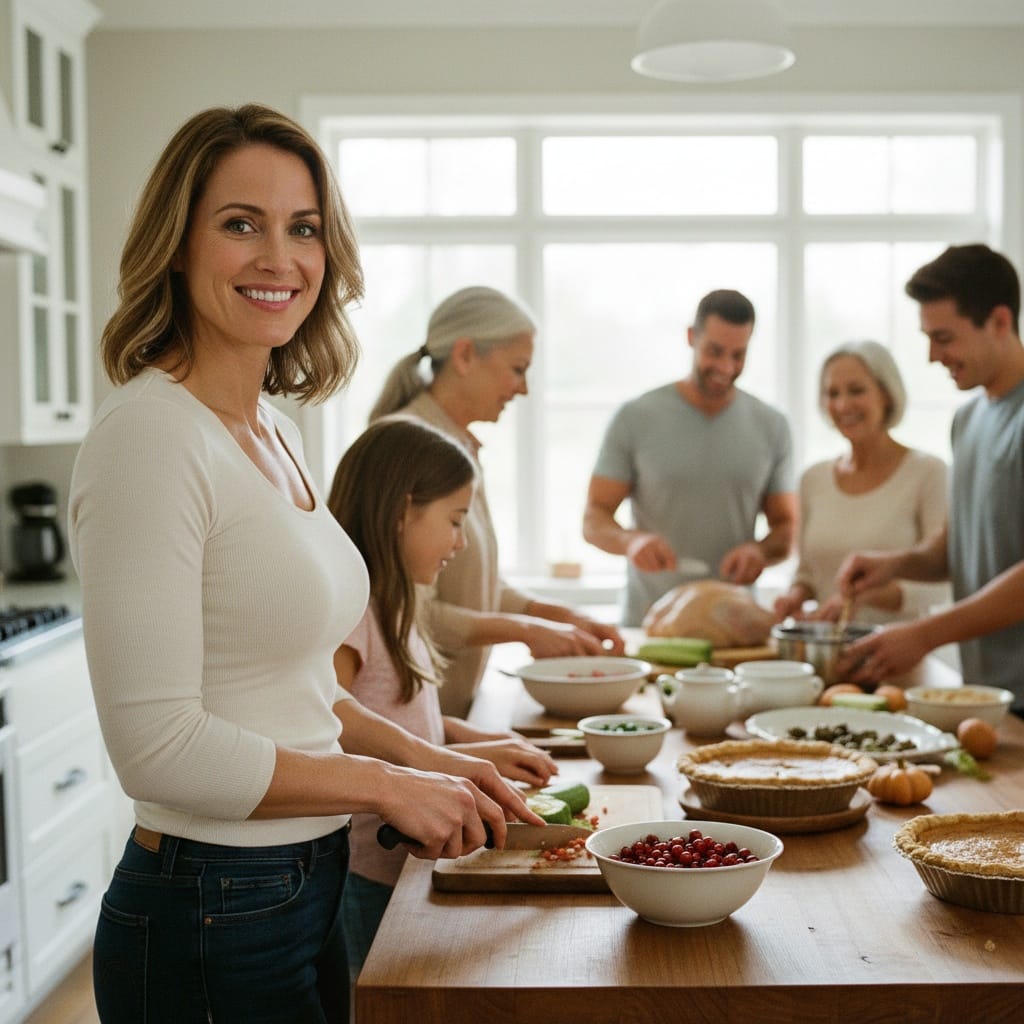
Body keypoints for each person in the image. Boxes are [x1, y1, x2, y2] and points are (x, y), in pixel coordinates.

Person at [68, 104, 541, 1024]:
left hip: (297, 881)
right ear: (176, 243)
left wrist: (429, 757)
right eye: (240, 223)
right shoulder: (150, 439)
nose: (278, 257)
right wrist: (390, 784)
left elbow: (285, 686)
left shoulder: (271, 431)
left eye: (305, 228)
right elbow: (159, 750)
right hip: (212, 902)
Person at [326, 416, 559, 980]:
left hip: (409, 860)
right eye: (454, 521)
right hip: (369, 870)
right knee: (385, 999)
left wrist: (470, 740)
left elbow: (399, 711)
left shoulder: (401, 601)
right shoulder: (352, 608)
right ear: (403, 510)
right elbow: (329, 715)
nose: (460, 541)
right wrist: (442, 757)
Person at [369, 285, 625, 718]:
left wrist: (555, 615)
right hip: (410, 724)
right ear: (466, 355)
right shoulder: (408, 447)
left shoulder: (458, 448)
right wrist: (524, 630)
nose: (523, 389)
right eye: (518, 369)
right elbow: (403, 609)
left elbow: (469, 584)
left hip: (448, 717)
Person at [837, 244, 1024, 712]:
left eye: (944, 337)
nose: (932, 355)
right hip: (986, 696)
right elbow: (960, 544)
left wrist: (925, 634)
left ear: (1000, 322)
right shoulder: (968, 420)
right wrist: (896, 562)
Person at [583, 288, 798, 626]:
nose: (726, 366)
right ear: (691, 337)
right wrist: (631, 541)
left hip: (735, 629)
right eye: (715, 351)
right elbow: (594, 519)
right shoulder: (636, 417)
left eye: (738, 355)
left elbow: (786, 528)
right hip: (648, 625)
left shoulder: (772, 425)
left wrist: (760, 551)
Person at [773, 341, 948, 627]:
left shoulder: (928, 473)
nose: (843, 405)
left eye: (856, 390)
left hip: (899, 656)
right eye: (833, 393)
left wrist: (866, 597)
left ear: (886, 394)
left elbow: (941, 585)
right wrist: (794, 596)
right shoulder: (812, 479)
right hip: (826, 653)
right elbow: (807, 574)